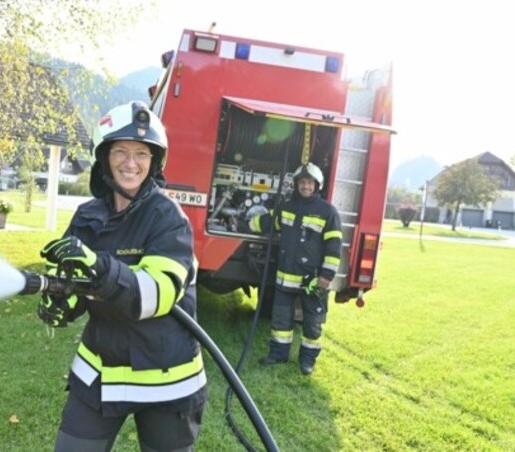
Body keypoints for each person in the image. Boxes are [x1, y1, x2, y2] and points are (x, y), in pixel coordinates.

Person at [37, 101, 207, 451]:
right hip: (99, 371)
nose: (131, 163)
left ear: (154, 161)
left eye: (141, 153)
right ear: (104, 158)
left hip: (167, 380)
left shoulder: (168, 218)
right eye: (121, 151)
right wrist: (62, 301)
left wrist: (100, 267)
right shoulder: (86, 217)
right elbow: (74, 285)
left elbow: (156, 295)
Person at [241, 162, 342, 375]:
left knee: (312, 324)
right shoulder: (287, 207)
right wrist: (244, 224)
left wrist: (327, 275)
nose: (305, 186)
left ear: (317, 185)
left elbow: (334, 245)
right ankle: (278, 354)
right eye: (302, 182)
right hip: (285, 278)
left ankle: (307, 362)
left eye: (309, 183)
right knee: (280, 320)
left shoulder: (328, 212)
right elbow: (269, 222)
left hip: (312, 280)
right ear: (297, 184)